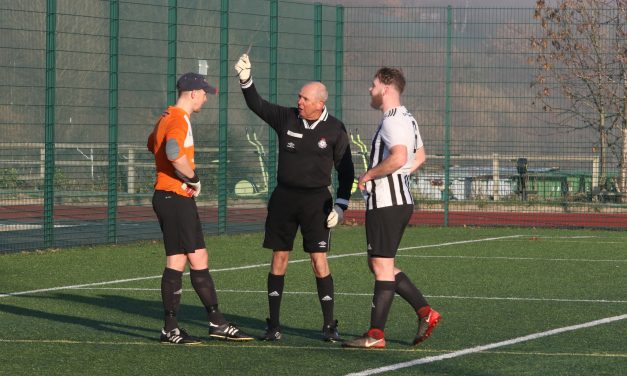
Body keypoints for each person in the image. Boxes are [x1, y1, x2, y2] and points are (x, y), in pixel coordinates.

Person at [234, 54, 355, 342]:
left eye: (304, 98)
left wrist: (340, 206)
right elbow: (257, 105)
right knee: (279, 257)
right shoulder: (287, 117)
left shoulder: (336, 129)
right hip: (284, 199)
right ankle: (273, 325)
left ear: (319, 104)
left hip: (317, 202)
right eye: (299, 97)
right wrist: (245, 79)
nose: (299, 101)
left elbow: (347, 170)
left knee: (319, 260)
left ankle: (329, 326)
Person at [148, 72, 254, 344]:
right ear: (192, 93)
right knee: (177, 260)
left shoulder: (167, 116)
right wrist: (193, 179)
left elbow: (153, 144)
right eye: (204, 92)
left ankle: (215, 322)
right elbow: (172, 151)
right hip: (173, 197)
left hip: (174, 197)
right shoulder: (179, 120)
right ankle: (171, 329)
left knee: (197, 258)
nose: (206, 98)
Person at [343, 67, 441, 349]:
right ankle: (425, 312)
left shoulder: (392, 121)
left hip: (387, 203)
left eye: (373, 84)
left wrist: (370, 175)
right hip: (397, 202)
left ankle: (375, 335)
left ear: (386, 87)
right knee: (378, 264)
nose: (369, 89)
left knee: (381, 266)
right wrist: (397, 177)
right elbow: (419, 156)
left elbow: (400, 158)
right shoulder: (407, 119)